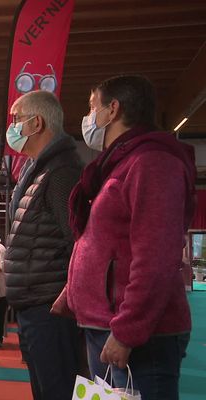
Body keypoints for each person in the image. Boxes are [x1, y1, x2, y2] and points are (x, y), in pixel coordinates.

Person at [53, 75, 196, 400]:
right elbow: (107, 242)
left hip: (137, 334)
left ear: (113, 109)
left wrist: (129, 330)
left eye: (92, 107)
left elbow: (156, 257)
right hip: (106, 324)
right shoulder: (119, 163)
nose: (88, 117)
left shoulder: (153, 162)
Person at [5, 90, 83, 399]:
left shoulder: (61, 171)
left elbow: (77, 240)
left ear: (36, 123)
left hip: (50, 305)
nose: (12, 127)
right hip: (33, 301)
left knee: (56, 390)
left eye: (16, 120)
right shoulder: (35, 169)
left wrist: (67, 297)